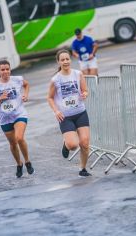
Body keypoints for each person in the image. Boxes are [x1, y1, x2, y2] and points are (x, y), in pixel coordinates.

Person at [47, 49, 92, 177]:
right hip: (65, 116)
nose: (65, 61)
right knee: (73, 145)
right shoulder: (55, 79)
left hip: (80, 112)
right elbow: (49, 97)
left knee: (84, 143)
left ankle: (82, 169)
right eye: (63, 60)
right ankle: (66, 145)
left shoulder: (78, 74)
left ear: (70, 60)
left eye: (67, 59)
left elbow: (85, 90)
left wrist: (84, 94)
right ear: (58, 62)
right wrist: (56, 111)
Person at [0, 60, 34, 178]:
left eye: (7, 69)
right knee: (13, 143)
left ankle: (27, 161)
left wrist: (26, 95)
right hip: (5, 118)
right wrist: (0, 98)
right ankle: (19, 164)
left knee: (19, 138)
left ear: (10, 70)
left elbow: (27, 85)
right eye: (2, 69)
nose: (5, 72)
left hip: (19, 114)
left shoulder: (17, 79)